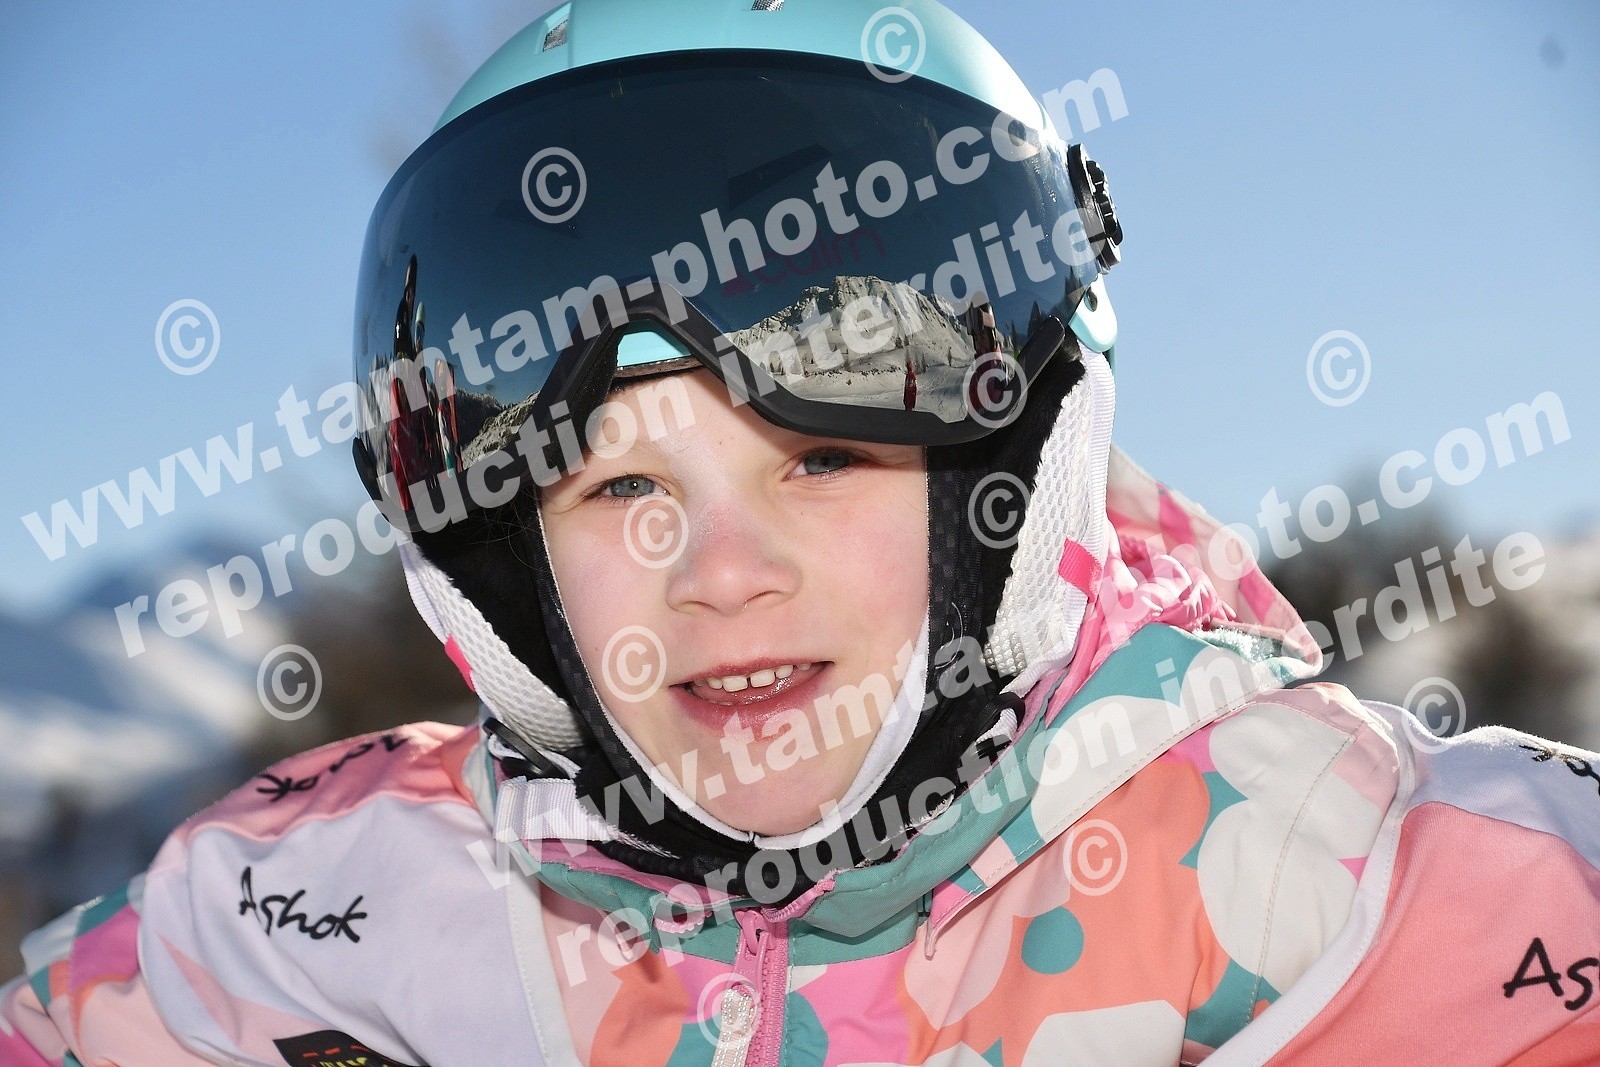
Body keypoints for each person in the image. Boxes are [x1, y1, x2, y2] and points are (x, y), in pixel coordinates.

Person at [5, 1, 1599, 1064]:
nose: (719, 574)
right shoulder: (316, 913)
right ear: (505, 575)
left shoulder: (1353, 873)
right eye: (622, 490)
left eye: (823, 457)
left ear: (1011, 482)